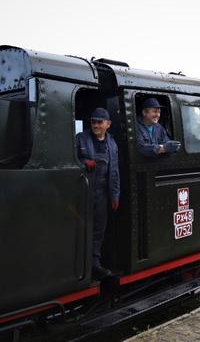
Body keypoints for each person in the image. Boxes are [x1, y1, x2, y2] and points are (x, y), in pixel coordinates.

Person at [76, 108, 120, 280]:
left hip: (102, 192)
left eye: (99, 122)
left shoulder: (112, 144)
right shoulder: (80, 139)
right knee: (82, 228)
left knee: (98, 230)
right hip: (84, 191)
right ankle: (81, 266)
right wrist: (83, 162)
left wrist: (115, 195)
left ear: (108, 124)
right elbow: (69, 159)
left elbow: (114, 171)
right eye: (93, 121)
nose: (95, 125)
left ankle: (94, 264)